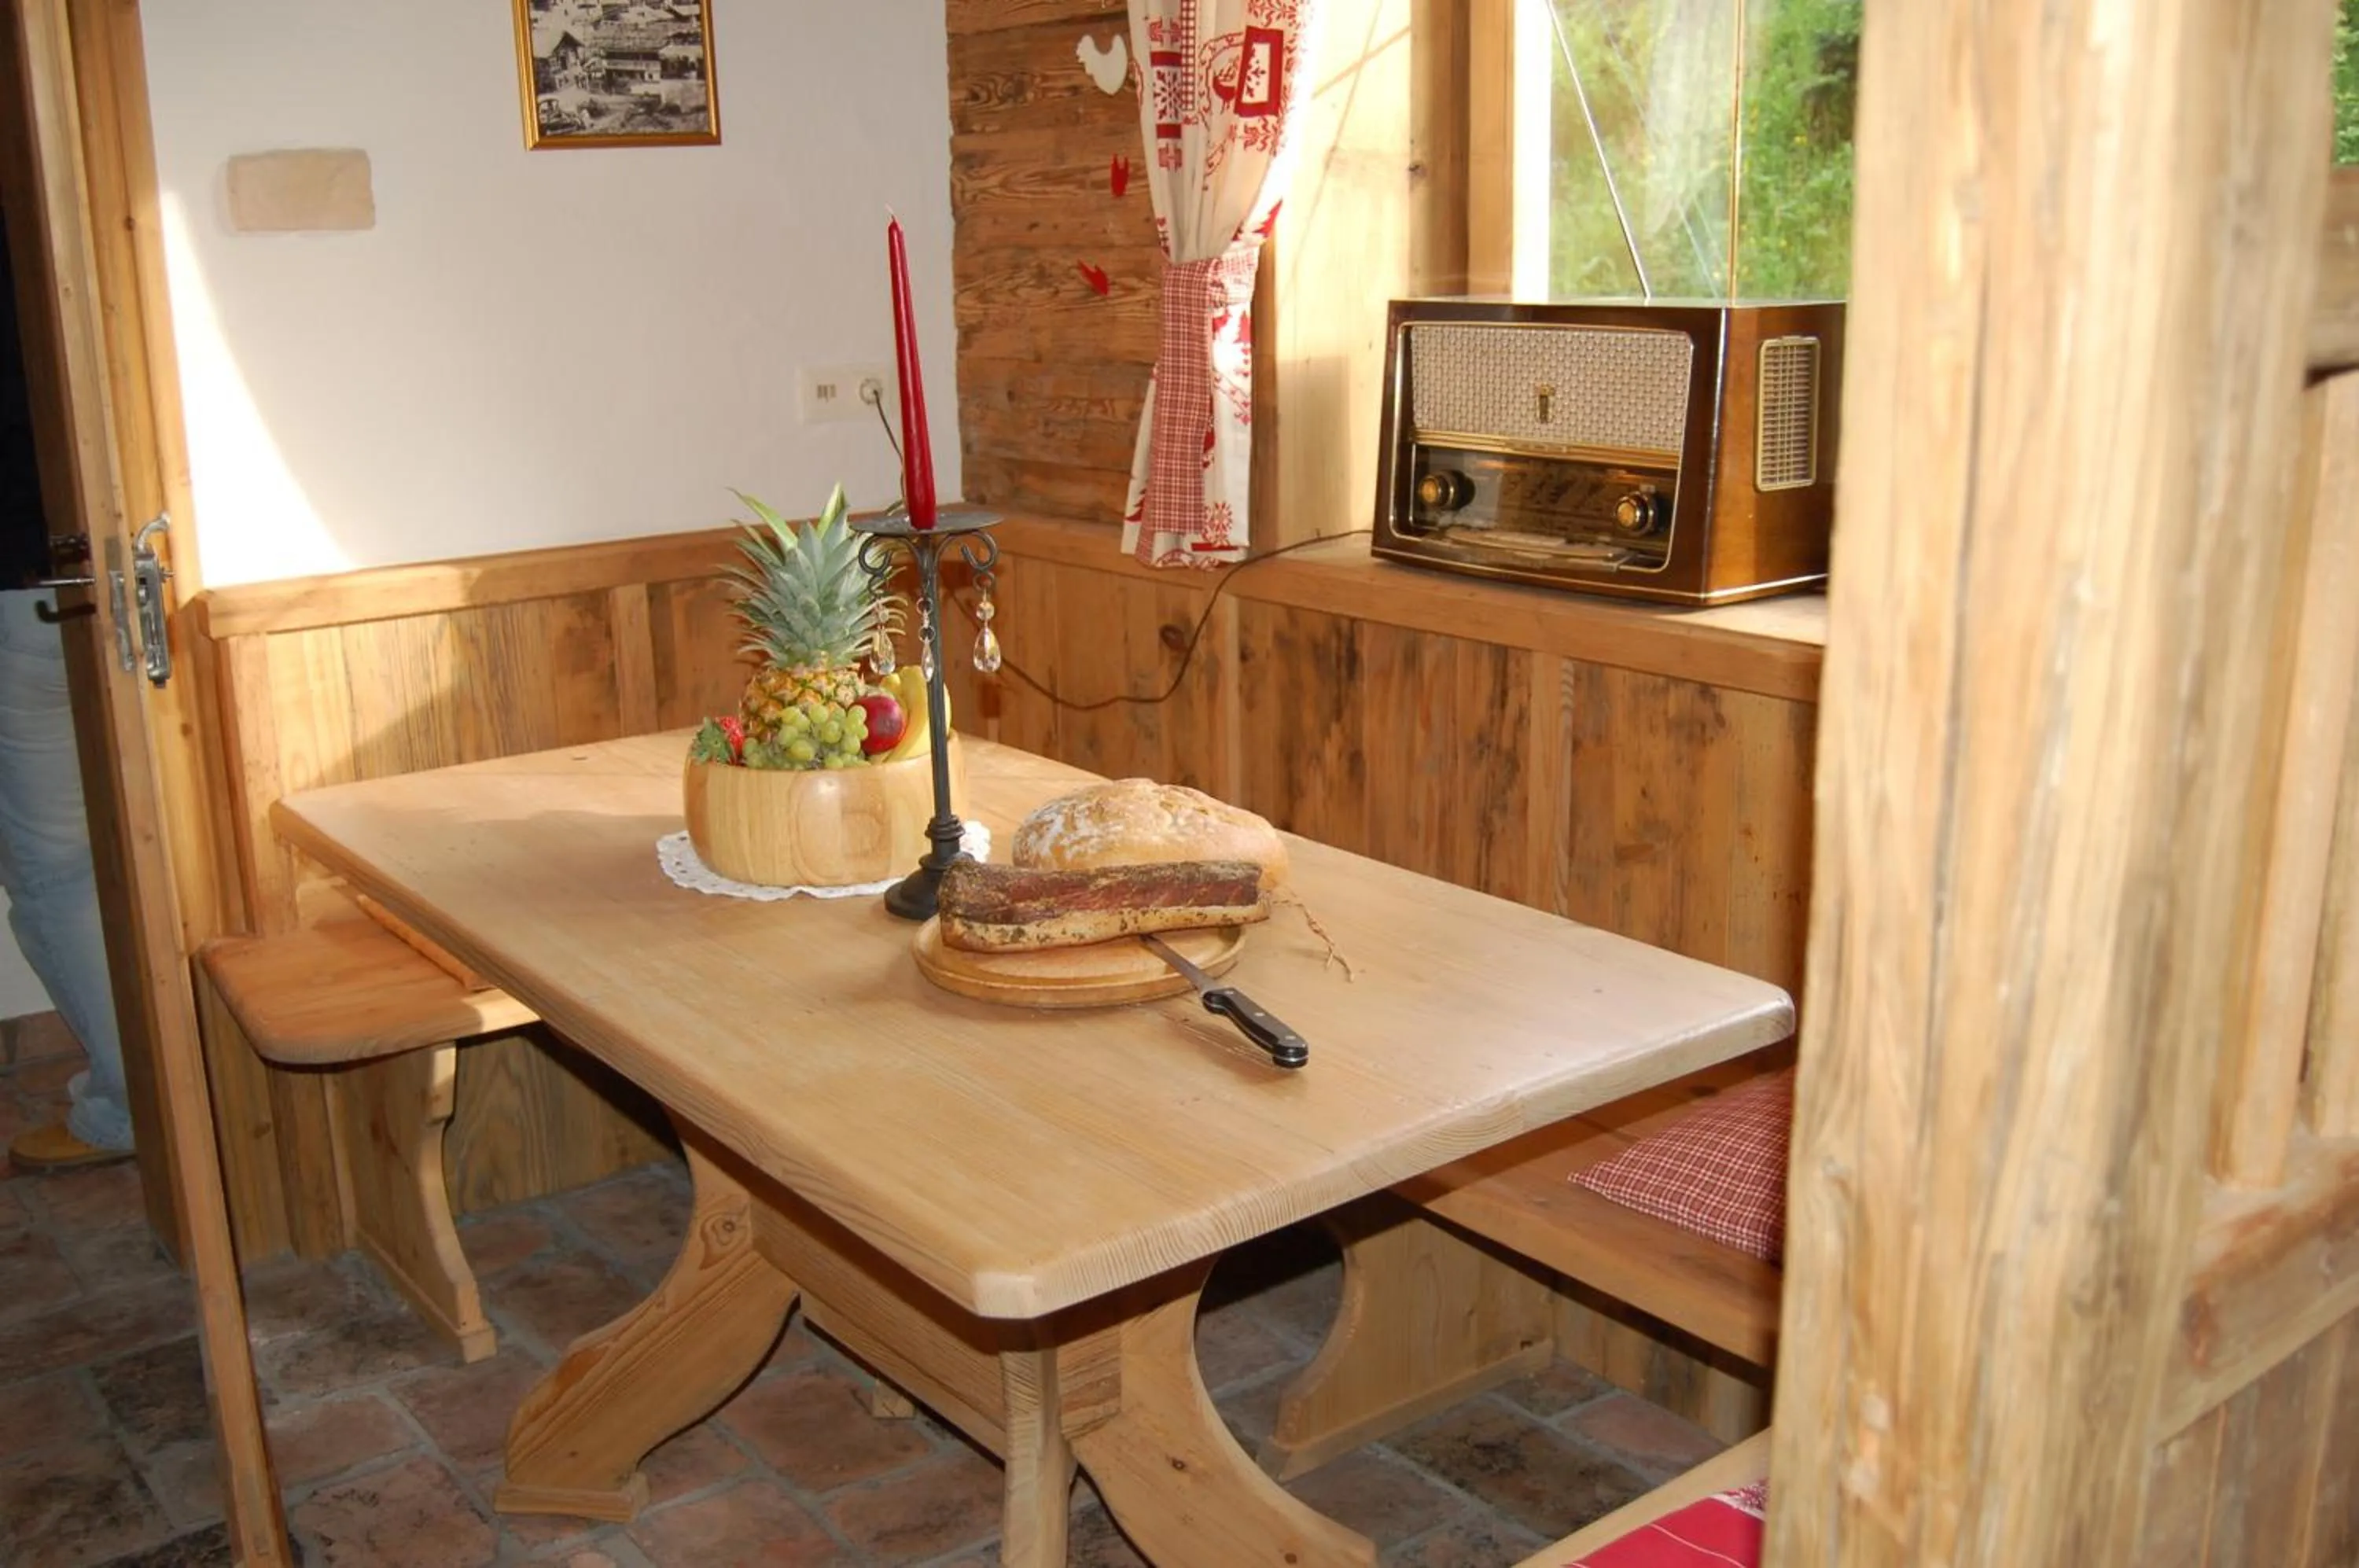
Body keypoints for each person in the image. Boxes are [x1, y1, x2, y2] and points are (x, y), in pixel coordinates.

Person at [0, 205, 133, 1168]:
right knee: (122, 855)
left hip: (22, 589)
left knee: (57, 866)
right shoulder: (59, 204)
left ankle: (129, 1109)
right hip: (121, 570)